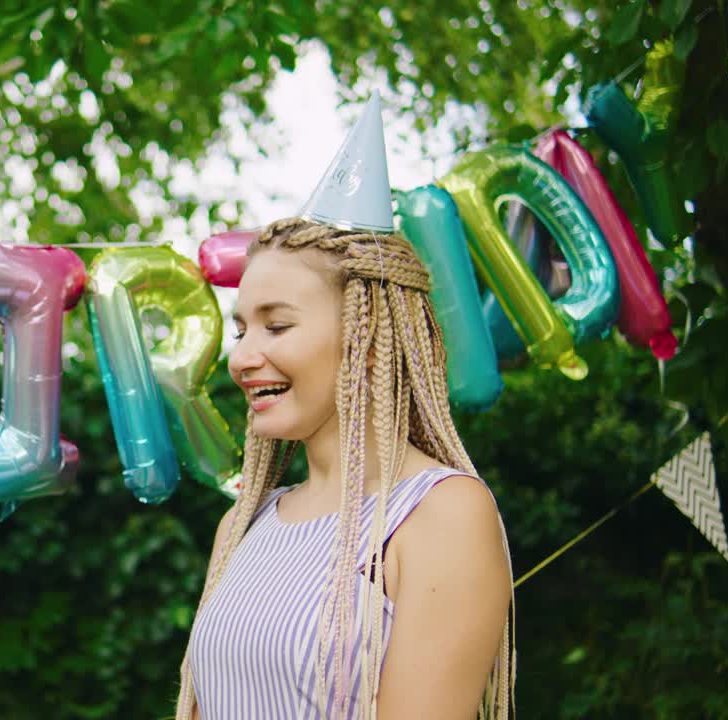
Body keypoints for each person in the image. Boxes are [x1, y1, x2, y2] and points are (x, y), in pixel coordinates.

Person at [175, 95, 515, 720]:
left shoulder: (440, 515)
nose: (244, 357)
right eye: (242, 329)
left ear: (365, 337)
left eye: (276, 327)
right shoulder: (243, 526)